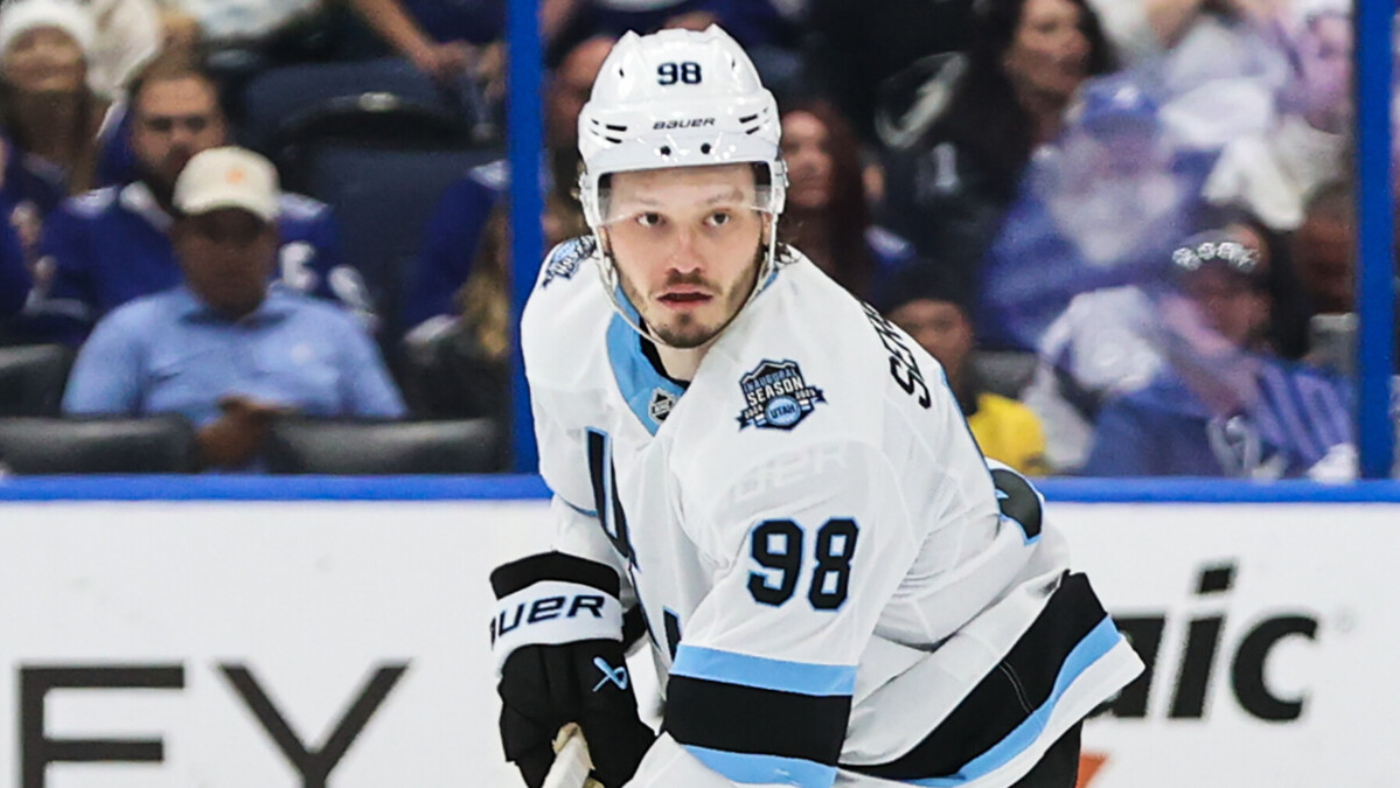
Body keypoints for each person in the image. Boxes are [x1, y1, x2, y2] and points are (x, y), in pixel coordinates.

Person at [488, 26, 1142, 788]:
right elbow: (592, 502)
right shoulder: (567, 305)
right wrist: (569, 614)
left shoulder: (812, 435)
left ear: (770, 212)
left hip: (957, 733)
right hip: (808, 698)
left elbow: (749, 758)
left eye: (719, 216)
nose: (684, 260)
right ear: (596, 217)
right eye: (649, 218)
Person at [62, 147, 404, 470]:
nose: (230, 253)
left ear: (274, 239)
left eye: (247, 234)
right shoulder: (127, 332)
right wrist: (193, 452)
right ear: (178, 237)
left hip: (315, 504)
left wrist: (300, 441)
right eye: (211, 233)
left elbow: (393, 449)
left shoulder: (335, 330)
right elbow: (79, 456)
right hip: (175, 506)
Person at [23, 52, 371, 343]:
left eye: (196, 124)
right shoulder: (82, 225)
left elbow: (352, 339)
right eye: (160, 126)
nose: (180, 140)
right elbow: (56, 349)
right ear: (131, 136)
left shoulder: (302, 223)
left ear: (223, 130)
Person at [878, 0, 1117, 307]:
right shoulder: (955, 153)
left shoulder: (1119, 139)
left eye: (1081, 29)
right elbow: (971, 255)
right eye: (1048, 29)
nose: (1074, 41)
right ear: (1005, 52)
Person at [1080, 229, 1354, 479]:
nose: (1214, 306)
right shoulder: (1137, 415)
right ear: (1166, 310)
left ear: (1261, 306)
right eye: (1197, 292)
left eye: (1231, 292)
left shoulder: (1318, 397)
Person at [885, 266, 1048, 476]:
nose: (927, 341)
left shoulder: (1015, 423)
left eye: (943, 326)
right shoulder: (865, 423)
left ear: (969, 332)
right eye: (909, 329)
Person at [778, 99, 920, 304]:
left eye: (825, 148)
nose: (810, 163)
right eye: (791, 148)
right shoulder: (747, 261)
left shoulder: (890, 261)